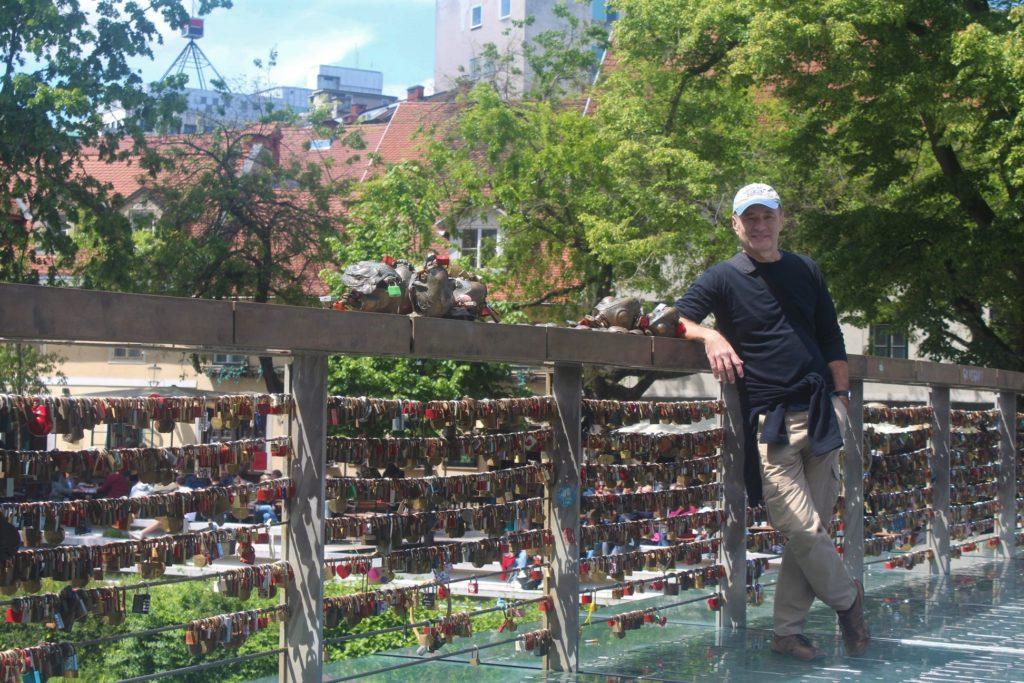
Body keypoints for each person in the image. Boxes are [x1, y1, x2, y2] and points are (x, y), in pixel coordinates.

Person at [674, 183, 869, 661]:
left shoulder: (806, 270)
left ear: (782, 220)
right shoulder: (723, 276)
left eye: (767, 216)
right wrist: (710, 335)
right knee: (801, 530)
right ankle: (850, 602)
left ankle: (787, 632)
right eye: (750, 218)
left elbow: (830, 336)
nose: (759, 226)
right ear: (736, 224)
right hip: (770, 422)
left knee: (815, 531)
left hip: (823, 412)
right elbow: (675, 319)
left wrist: (842, 397)